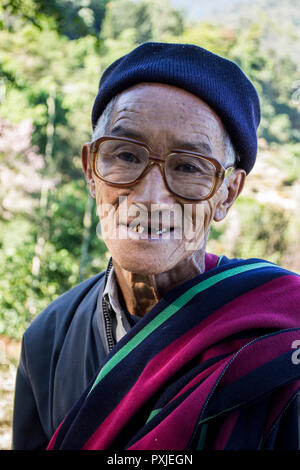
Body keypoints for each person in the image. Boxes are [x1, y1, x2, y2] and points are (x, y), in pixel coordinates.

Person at [13, 42, 300, 450]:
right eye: (125, 156)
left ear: (227, 194)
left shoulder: (282, 332)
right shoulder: (48, 339)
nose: (149, 196)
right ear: (91, 171)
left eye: (187, 167)